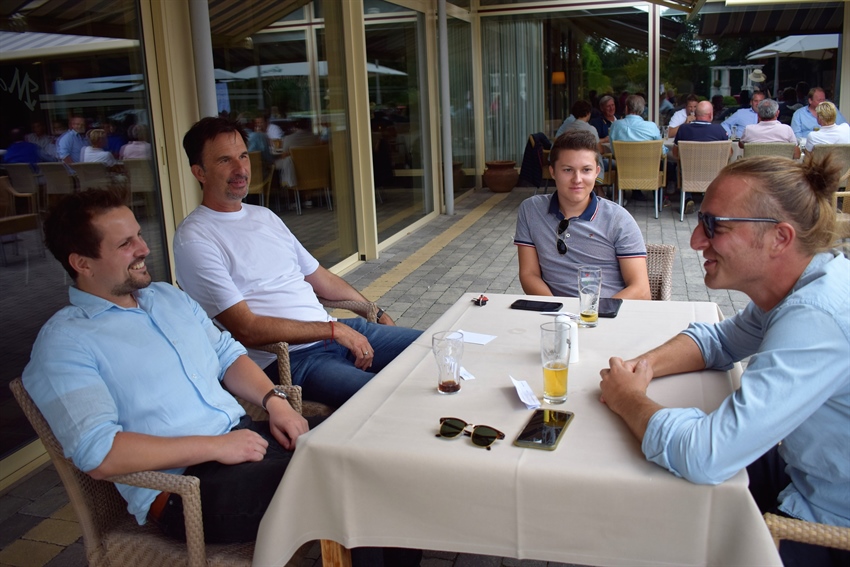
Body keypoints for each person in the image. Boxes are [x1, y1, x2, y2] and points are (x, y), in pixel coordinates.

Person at [22, 188, 317, 545]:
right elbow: (99, 453)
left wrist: (275, 402)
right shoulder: (65, 342)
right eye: (125, 244)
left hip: (245, 439)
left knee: (359, 446)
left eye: (139, 235)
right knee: (336, 484)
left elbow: (227, 355)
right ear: (82, 263)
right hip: (189, 489)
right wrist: (216, 447)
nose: (144, 249)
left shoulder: (167, 297)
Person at [598, 155, 849, 567]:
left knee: (659, 503)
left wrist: (628, 399)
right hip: (805, 475)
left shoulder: (816, 318)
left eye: (715, 225)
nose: (696, 240)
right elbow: (718, 341)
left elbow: (706, 454)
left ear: (780, 238)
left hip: (830, 525)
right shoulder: (802, 285)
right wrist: (636, 370)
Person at [173, 117, 422, 409]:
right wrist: (334, 331)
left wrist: (375, 312)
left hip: (337, 332)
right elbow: (247, 329)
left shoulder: (265, 217)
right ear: (199, 172)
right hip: (290, 360)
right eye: (225, 160)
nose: (241, 169)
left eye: (243, 156)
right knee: (389, 400)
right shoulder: (195, 238)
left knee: (437, 348)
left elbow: (322, 279)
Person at [514, 129, 650, 300]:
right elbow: (529, 274)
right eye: (567, 170)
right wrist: (557, 309)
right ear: (552, 172)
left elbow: (641, 290)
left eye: (586, 170)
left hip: (609, 310)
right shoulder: (531, 210)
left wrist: (592, 312)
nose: (577, 179)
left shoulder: (618, 219)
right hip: (555, 311)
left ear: (597, 172)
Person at [671, 101, 729, 213]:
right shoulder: (719, 130)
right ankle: (712, 200)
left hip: (690, 173)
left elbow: (675, 153)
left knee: (681, 168)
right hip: (713, 173)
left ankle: (687, 198)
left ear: (695, 114)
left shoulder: (683, 129)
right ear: (710, 115)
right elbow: (729, 153)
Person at [609, 94, 668, 202]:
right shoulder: (651, 127)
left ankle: (623, 197)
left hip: (624, 171)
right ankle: (659, 200)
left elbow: (613, 152)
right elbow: (662, 151)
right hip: (648, 171)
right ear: (642, 110)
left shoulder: (616, 126)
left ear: (626, 108)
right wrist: (665, 153)